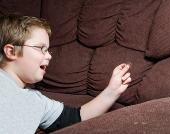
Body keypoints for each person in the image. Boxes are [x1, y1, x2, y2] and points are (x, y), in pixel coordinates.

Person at [0, 14, 131, 134]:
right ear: (12, 52)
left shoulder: (37, 102)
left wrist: (112, 91)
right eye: (41, 49)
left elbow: (75, 118)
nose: (49, 56)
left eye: (48, 50)